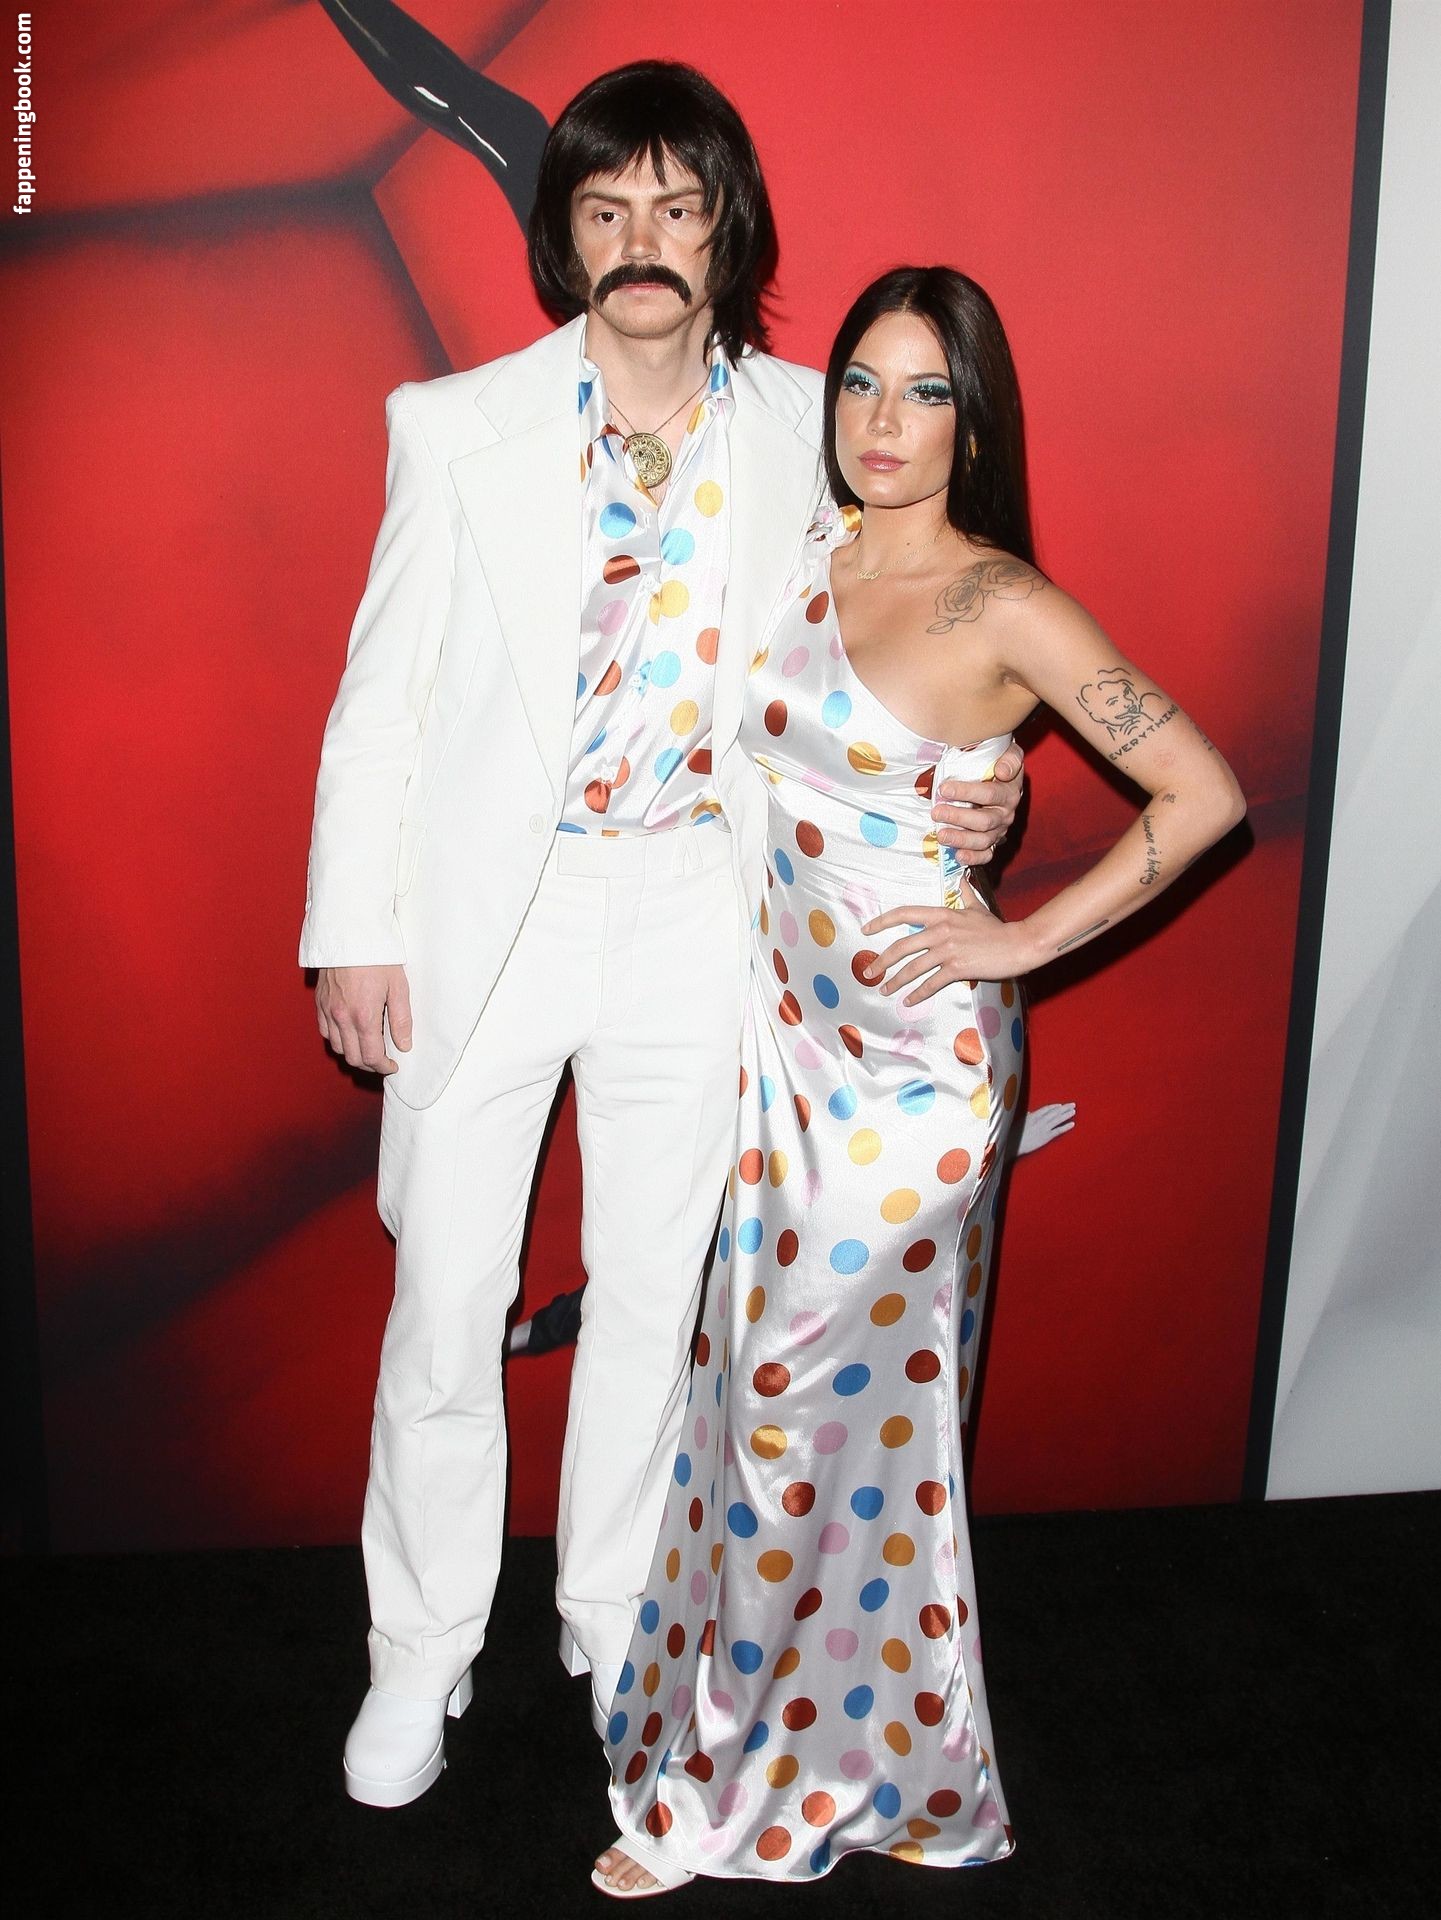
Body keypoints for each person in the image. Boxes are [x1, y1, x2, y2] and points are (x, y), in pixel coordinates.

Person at [300, 68, 1020, 1809]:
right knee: (444, 1306)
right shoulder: (451, 425)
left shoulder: (810, 426)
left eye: (676, 210)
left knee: (652, 1298)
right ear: (563, 235)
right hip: (495, 914)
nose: (642, 242)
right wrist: (352, 931)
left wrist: (973, 771)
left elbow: (900, 624)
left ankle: (608, 1609)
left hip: (702, 905)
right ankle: (420, 1651)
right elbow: (380, 703)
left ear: (725, 233)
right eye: (605, 209)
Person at [592, 265, 1245, 1894]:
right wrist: (990, 782)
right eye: (862, 385)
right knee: (783, 1410)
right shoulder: (802, 550)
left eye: (925, 391)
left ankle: (730, 1799)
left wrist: (1019, 940)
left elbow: (1202, 795)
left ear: (974, 418)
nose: (884, 423)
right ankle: (865, 1752)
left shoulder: (999, 602)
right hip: (777, 1048)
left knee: (793, 1409)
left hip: (910, 1077)